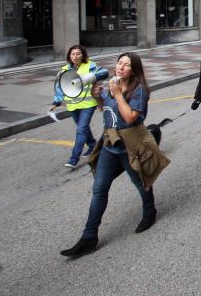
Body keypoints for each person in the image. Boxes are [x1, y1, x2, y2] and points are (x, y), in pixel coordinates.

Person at [61, 53, 166, 258]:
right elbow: (106, 110)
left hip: (130, 147)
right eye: (119, 63)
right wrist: (99, 97)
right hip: (110, 146)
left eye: (126, 65)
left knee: (141, 182)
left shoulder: (139, 91)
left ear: (133, 70)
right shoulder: (112, 84)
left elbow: (129, 117)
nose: (121, 67)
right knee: (99, 189)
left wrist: (117, 94)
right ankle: (89, 236)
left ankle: (149, 210)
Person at [51, 45, 99, 169]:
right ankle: (93, 144)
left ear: (83, 55)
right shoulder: (64, 69)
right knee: (82, 128)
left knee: (81, 129)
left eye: (78, 54)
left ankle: (74, 159)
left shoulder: (91, 66)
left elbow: (100, 77)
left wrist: (101, 98)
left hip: (88, 104)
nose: (75, 56)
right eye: (73, 54)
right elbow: (59, 87)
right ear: (69, 56)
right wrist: (56, 102)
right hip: (72, 105)